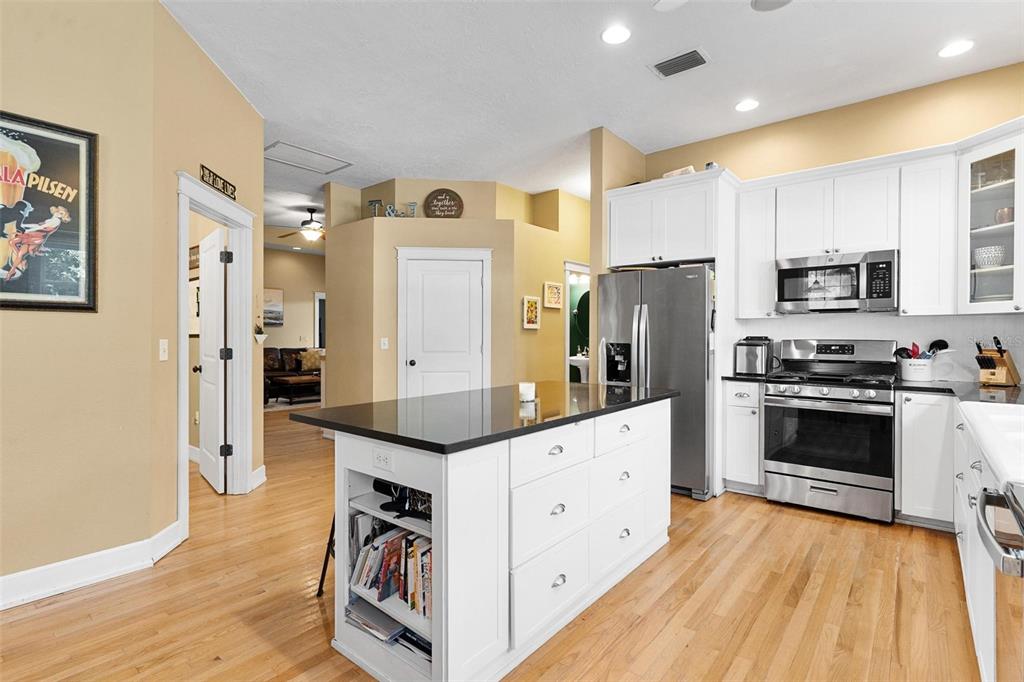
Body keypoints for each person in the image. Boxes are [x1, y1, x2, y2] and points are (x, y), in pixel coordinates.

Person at [1, 205, 71, 282]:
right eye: (58, 211)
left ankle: (12, 270)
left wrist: (27, 231)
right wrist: (24, 225)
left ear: (62, 216)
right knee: (12, 242)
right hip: (33, 234)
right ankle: (21, 261)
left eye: (61, 214)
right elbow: (38, 225)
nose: (58, 213)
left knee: (20, 254)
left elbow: (41, 227)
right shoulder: (52, 219)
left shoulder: (56, 221)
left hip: (37, 238)